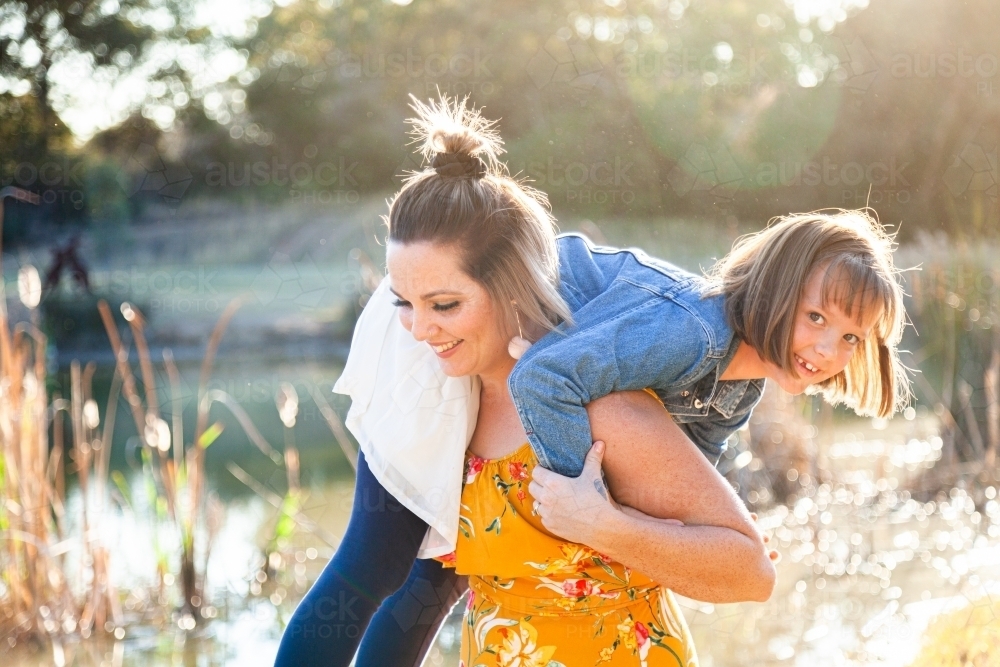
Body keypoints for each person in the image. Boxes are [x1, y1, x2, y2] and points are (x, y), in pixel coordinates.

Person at [272, 95, 909, 666]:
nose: (828, 349)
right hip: (503, 312)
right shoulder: (692, 330)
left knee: (420, 578)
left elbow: (696, 494)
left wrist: (603, 519)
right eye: (816, 318)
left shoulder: (721, 383)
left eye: (850, 337)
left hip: (608, 635)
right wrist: (575, 499)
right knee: (388, 569)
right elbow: (547, 376)